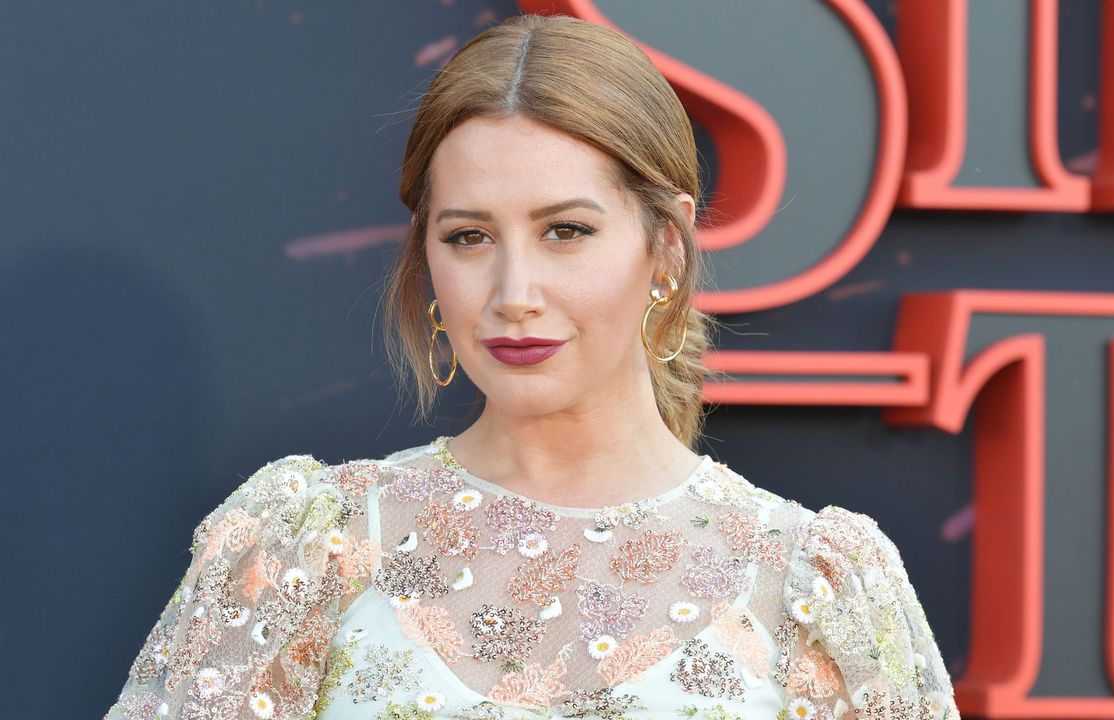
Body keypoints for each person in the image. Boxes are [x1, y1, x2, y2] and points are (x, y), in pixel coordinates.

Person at [105, 12, 959, 720]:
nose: (514, 292)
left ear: (665, 246)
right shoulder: (307, 548)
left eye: (566, 231)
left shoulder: (815, 581)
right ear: (427, 256)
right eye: (469, 236)